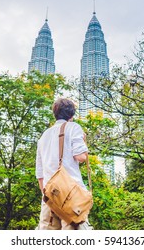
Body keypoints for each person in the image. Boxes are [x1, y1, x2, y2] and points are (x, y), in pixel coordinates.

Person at [36, 98, 91, 230]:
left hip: (49, 196)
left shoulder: (44, 136)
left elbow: (40, 173)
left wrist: (46, 195)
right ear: (71, 115)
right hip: (70, 195)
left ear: (55, 114)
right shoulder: (73, 128)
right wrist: (83, 142)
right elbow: (81, 157)